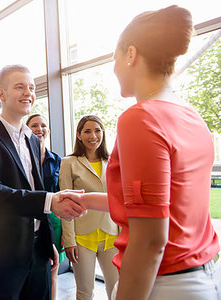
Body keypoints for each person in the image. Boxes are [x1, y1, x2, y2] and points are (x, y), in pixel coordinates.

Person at [68, 6, 220, 300]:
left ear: (130, 54)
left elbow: (150, 240)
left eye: (114, 59)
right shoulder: (192, 117)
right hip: (203, 275)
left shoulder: (140, 118)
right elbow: (166, 204)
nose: (114, 69)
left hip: (164, 284)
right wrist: (84, 199)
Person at [0, 64, 87, 300]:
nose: (28, 93)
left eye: (31, 88)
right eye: (19, 87)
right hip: (4, 253)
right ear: (1, 94)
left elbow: (35, 187)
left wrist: (47, 241)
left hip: (38, 251)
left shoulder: (32, 139)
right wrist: (50, 201)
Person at [59, 115, 119, 300]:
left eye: (97, 130)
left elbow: (120, 199)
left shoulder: (114, 162)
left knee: (117, 289)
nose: (93, 135)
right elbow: (65, 204)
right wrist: (69, 241)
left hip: (112, 234)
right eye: (87, 131)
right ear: (78, 135)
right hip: (82, 236)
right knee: (85, 292)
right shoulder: (68, 163)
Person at [26, 113, 66, 300]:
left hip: (54, 221)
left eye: (43, 126)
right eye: (34, 125)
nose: (39, 129)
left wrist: (66, 230)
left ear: (48, 130)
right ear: (27, 130)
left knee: (53, 270)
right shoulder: (22, 158)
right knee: (33, 273)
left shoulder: (57, 160)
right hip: (30, 220)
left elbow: (62, 193)